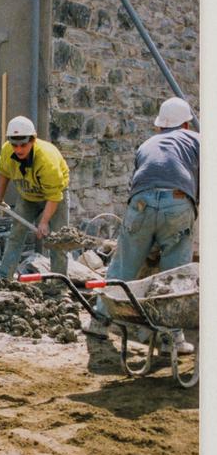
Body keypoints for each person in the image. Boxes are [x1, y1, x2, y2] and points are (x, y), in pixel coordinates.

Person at [86, 97, 199, 354]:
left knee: (123, 265)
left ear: (159, 126)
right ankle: (172, 339)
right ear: (186, 126)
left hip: (140, 203)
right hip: (179, 202)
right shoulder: (196, 140)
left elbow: (137, 183)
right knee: (176, 274)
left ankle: (99, 321)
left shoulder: (146, 144)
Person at [0, 115, 70, 278]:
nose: (18, 150)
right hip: (27, 196)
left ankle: (58, 283)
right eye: (15, 145)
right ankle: (4, 277)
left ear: (33, 140)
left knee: (57, 240)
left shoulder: (47, 159)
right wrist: (0, 196)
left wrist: (44, 222)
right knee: (16, 234)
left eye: (23, 145)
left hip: (54, 198)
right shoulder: (7, 150)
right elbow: (4, 173)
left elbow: (54, 195)